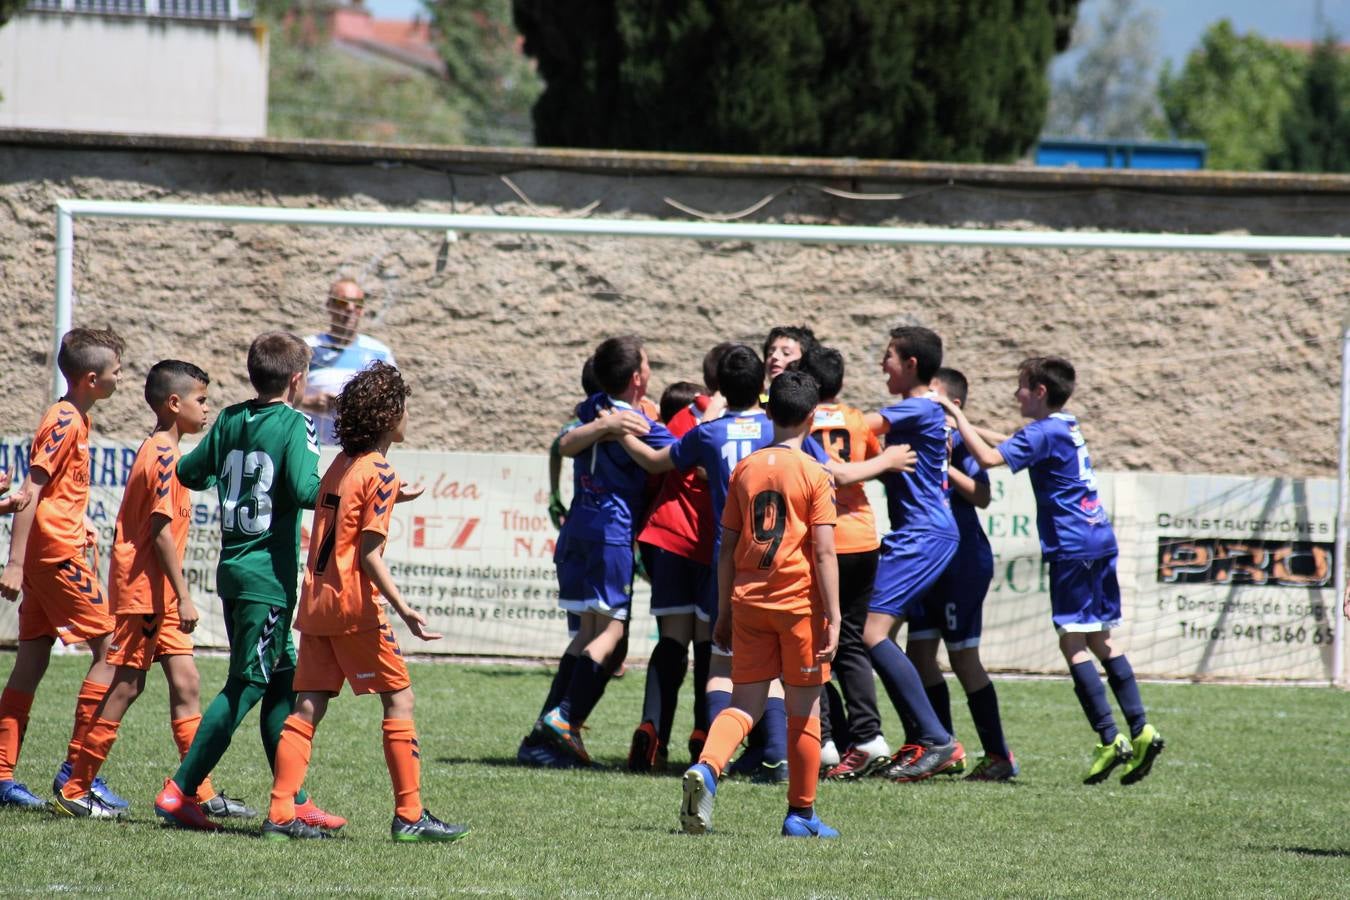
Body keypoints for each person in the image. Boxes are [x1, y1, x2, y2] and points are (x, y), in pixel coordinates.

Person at [620, 345, 911, 782]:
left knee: (730, 682)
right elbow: (826, 542)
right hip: (794, 588)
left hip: (741, 578)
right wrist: (832, 614)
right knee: (802, 697)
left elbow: (664, 466)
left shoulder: (727, 451)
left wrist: (615, 429)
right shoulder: (809, 463)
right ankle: (794, 792)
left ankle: (710, 764)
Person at [264, 361, 467, 842]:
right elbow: (369, 553)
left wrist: (396, 495)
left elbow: (347, 514)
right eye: (403, 407)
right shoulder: (378, 470)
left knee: (308, 704)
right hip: (356, 607)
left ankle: (279, 815)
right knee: (400, 699)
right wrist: (404, 608)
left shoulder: (343, 464)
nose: (407, 416)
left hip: (316, 601)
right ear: (388, 415)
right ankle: (410, 816)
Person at [938, 356, 1164, 785]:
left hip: (1071, 545)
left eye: (1021, 386)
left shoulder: (1040, 432)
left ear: (1039, 391)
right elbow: (1011, 442)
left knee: (1072, 643)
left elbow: (987, 458)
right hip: (1099, 538)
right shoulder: (1064, 425)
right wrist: (968, 428)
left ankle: (1108, 737)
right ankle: (1141, 728)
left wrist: (956, 414)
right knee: (1101, 638)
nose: (1016, 393)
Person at [154, 332, 342, 831]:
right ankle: (179, 790)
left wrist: (228, 472)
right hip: (267, 580)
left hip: (235, 571)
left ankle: (294, 800)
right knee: (246, 684)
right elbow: (306, 490)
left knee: (283, 682)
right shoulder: (296, 423)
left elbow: (191, 472)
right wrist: (353, 488)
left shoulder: (232, 418)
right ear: (298, 380)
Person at [53, 361, 250, 819]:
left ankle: (194, 792)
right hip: (147, 592)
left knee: (187, 683)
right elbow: (160, 530)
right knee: (128, 685)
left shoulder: (171, 451)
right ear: (174, 404)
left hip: (161, 595)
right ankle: (76, 787)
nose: (207, 408)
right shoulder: (162, 454)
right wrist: (183, 595)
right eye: (201, 400)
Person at [679, 371, 841, 839]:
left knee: (743, 702)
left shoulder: (745, 470)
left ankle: (708, 768)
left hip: (749, 600)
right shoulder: (814, 472)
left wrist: (725, 610)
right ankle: (801, 815)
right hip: (798, 606)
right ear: (812, 418)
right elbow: (825, 552)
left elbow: (726, 550)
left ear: (769, 414)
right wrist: (832, 614)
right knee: (804, 709)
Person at [528, 335, 674, 765]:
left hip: (580, 526)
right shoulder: (636, 423)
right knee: (611, 633)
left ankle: (545, 733)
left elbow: (564, 442)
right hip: (611, 530)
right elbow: (667, 454)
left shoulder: (591, 410)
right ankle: (564, 718)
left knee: (588, 633)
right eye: (647, 364)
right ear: (636, 377)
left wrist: (602, 428)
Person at [0, 328, 126, 810]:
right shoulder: (66, 420)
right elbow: (32, 489)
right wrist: (14, 562)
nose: (121, 377)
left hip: (52, 549)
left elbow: (51, 494)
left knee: (32, 657)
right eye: (117, 371)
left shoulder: (74, 416)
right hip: (54, 557)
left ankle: (3, 775)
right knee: (110, 649)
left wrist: (80, 521)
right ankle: (78, 773)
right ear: (92, 379)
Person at [861, 326, 966, 782]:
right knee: (882, 636)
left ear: (911, 365)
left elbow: (860, 426)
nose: (882, 364)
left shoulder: (918, 408)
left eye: (888, 356)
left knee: (869, 633)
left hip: (923, 534)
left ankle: (937, 740)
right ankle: (924, 739)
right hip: (923, 532)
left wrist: (807, 413)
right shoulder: (924, 411)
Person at [906, 367, 1016, 781]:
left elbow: (983, 495)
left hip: (961, 562)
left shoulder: (957, 442)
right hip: (926, 561)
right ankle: (942, 744)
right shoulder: (920, 436)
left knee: (963, 657)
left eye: (933, 396)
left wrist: (944, 466)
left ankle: (998, 755)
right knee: (918, 655)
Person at [796, 346, 893, 780]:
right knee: (851, 641)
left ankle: (828, 740)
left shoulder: (805, 422)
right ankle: (869, 736)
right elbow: (875, 456)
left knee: (818, 638)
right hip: (864, 536)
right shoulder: (856, 419)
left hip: (826, 539)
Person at [628, 380, 713, 772]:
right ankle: (704, 735)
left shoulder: (683, 417)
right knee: (709, 646)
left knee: (672, 643)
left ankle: (652, 729)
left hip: (669, 535)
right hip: (712, 542)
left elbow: (661, 461)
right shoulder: (749, 424)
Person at [301, 278, 396, 446]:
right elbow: (280, 396)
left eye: (357, 303)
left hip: (359, 452)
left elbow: (394, 405)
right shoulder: (307, 348)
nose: (350, 308)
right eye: (342, 302)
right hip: (312, 448)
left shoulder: (380, 353)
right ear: (329, 305)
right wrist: (310, 403)